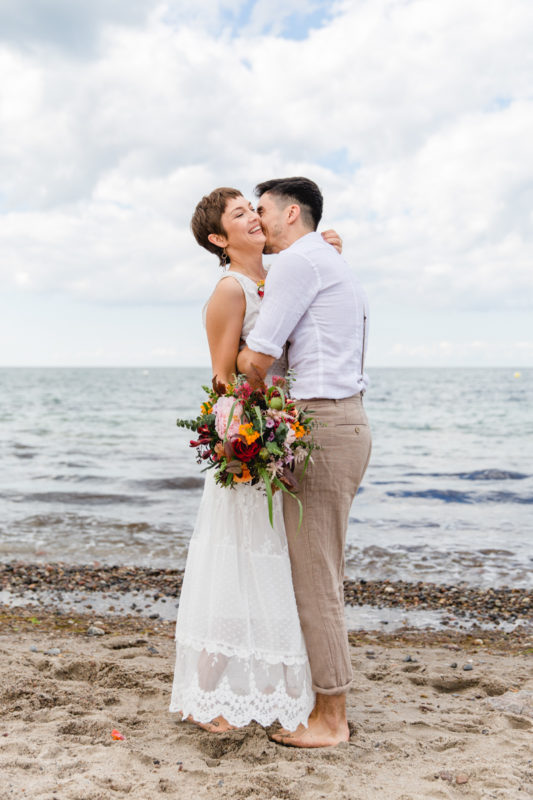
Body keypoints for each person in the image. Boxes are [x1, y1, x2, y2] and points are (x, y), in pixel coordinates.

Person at [169, 187, 343, 734]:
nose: (253, 218)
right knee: (236, 566)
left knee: (270, 568)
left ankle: (262, 691)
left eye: (253, 209)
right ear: (219, 239)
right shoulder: (230, 289)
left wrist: (323, 248)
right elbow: (224, 377)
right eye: (240, 214)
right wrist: (257, 434)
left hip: (284, 437)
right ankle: (209, 695)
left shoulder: (284, 276)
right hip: (250, 441)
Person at [238, 177, 371, 748]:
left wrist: (232, 356)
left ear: (291, 213)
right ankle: (320, 698)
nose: (257, 221)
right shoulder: (322, 259)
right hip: (340, 420)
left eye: (262, 210)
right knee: (318, 570)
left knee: (315, 576)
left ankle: (332, 719)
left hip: (322, 424)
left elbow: (259, 359)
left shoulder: (299, 264)